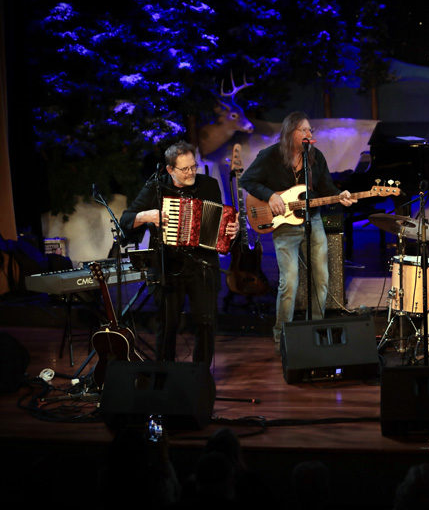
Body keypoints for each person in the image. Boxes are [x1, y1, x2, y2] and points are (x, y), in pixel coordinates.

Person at [239, 112, 356, 342]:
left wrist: (338, 196)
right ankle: (281, 335)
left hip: (312, 220)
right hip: (284, 226)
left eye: (310, 130)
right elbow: (247, 180)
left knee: (322, 278)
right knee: (289, 282)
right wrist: (270, 195)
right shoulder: (270, 155)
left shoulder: (315, 157)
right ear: (291, 132)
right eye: (304, 130)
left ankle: (316, 329)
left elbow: (326, 188)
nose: (309, 134)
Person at [120, 140, 238, 364]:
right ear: (170, 169)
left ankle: (200, 373)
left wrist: (234, 228)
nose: (191, 172)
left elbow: (221, 222)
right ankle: (165, 374)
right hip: (168, 265)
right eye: (185, 169)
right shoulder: (157, 187)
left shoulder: (208, 185)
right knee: (168, 323)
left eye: (193, 166)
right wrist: (148, 216)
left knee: (206, 322)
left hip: (202, 264)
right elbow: (126, 220)